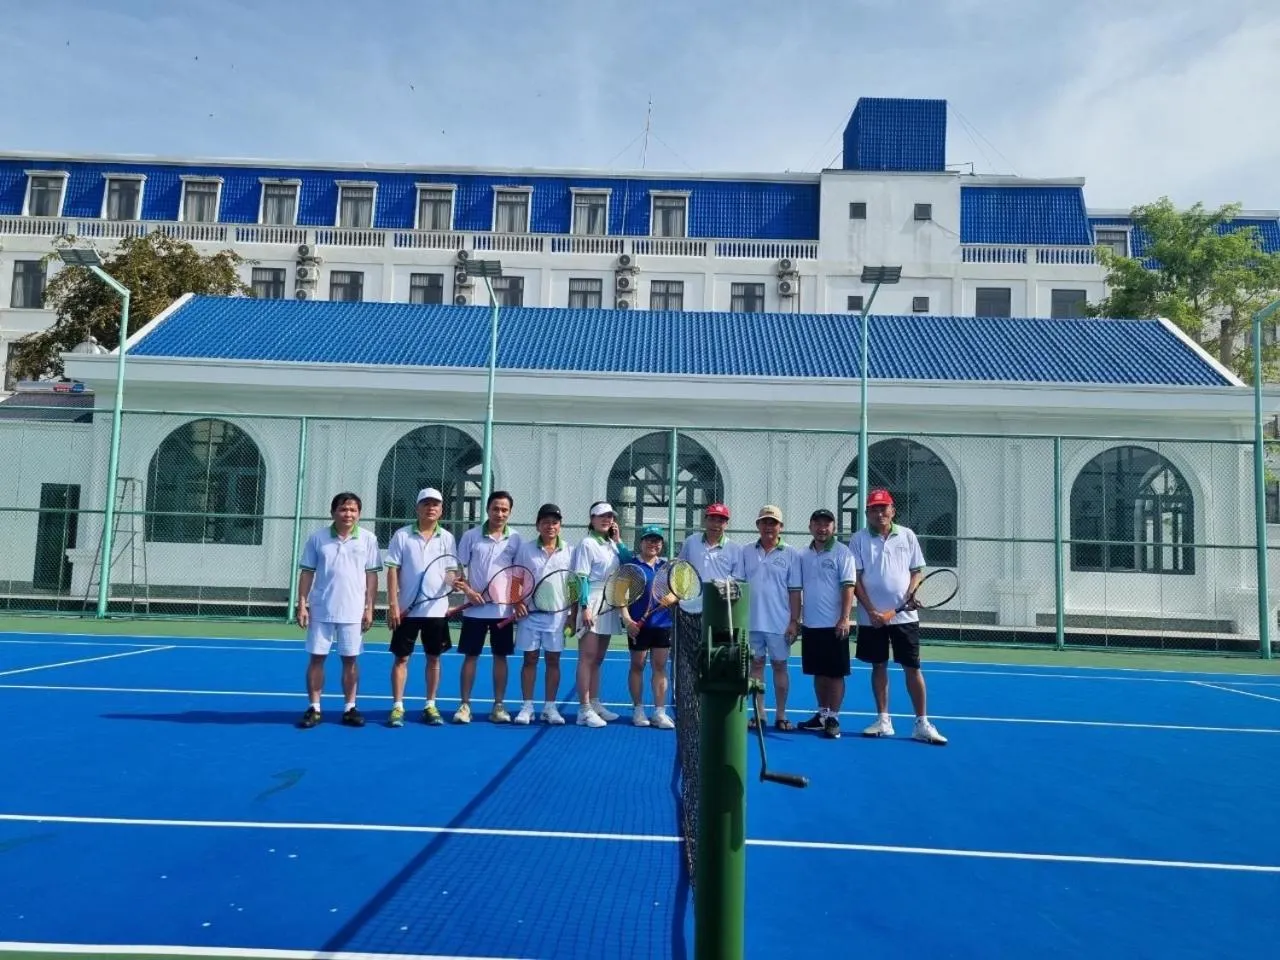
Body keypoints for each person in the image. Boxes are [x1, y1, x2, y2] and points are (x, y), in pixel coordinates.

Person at [851, 488, 948, 745]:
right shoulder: (858, 539)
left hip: (905, 618)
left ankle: (922, 723)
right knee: (878, 665)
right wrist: (872, 611)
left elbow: (916, 572)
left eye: (884, 508)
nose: (879, 512)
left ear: (892, 510)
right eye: (874, 508)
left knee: (912, 668)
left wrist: (910, 594)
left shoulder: (907, 535)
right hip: (870, 618)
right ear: (867, 513)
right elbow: (856, 580)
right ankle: (884, 720)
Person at [294, 491, 383, 729]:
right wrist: (302, 604)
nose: (348, 514)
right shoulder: (317, 538)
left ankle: (350, 708)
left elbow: (372, 576)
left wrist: (369, 608)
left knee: (350, 660)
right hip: (321, 609)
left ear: (359, 514)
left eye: (353, 510)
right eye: (343, 509)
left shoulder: (368, 539)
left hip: (354, 611)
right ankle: (314, 708)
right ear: (333, 512)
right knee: (317, 659)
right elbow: (307, 573)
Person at [384, 487, 457, 727]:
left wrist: (455, 583)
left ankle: (430, 704)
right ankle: (397, 706)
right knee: (401, 659)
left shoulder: (447, 537)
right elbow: (393, 569)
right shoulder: (402, 536)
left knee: (434, 659)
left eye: (435, 504)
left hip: (436, 610)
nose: (431, 507)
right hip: (407, 609)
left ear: (441, 509)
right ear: (418, 508)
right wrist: (393, 603)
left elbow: (450, 571)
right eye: (426, 503)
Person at [455, 490, 523, 724]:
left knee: (500, 657)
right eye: (496, 508)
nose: (500, 513)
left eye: (504, 510)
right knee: (471, 656)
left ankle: (499, 706)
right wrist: (468, 592)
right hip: (474, 610)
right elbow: (457, 572)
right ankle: (464, 705)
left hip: (502, 612)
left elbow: (518, 576)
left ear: (510, 512)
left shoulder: (515, 539)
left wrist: (514, 601)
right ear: (488, 510)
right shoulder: (471, 536)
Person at [510, 502, 573, 725]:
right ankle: (527, 707)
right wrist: (516, 602)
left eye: (554, 522)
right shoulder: (525, 550)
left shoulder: (569, 552)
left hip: (557, 617)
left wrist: (573, 615)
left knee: (553, 660)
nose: (550, 526)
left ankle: (550, 707)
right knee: (529, 659)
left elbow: (573, 585)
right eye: (545, 522)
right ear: (538, 525)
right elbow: (516, 579)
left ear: (560, 526)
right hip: (529, 616)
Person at [570, 501, 632, 728]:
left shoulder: (612, 544)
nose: (607, 519)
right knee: (586, 657)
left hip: (610, 601)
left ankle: (595, 703)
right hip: (593, 601)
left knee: (598, 659)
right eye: (601, 516)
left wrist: (618, 540)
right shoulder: (586, 543)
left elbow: (628, 563)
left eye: (610, 516)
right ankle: (583, 709)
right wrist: (585, 607)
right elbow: (581, 578)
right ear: (592, 519)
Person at [797, 507, 855, 739]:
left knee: (835, 674)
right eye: (818, 524)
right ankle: (822, 716)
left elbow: (848, 586)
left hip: (835, 625)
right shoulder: (803, 555)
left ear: (834, 527)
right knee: (818, 672)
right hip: (811, 624)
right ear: (810, 526)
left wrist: (844, 618)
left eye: (827, 524)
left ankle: (834, 717)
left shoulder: (843, 553)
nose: (822, 528)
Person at [741, 505, 802, 731]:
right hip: (751, 623)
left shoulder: (791, 554)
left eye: (773, 523)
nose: (769, 527)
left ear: (780, 527)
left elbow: (795, 591)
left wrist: (794, 621)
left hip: (779, 624)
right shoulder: (746, 551)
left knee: (779, 666)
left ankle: (781, 714)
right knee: (755, 667)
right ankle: (758, 713)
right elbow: (740, 585)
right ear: (758, 525)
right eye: (765, 522)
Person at [619, 524, 676, 729]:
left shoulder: (666, 567)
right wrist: (628, 621)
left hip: (662, 624)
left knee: (660, 666)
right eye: (649, 540)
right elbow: (620, 597)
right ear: (641, 542)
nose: (654, 544)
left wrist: (673, 596)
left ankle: (660, 713)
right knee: (637, 666)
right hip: (638, 626)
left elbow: (676, 591)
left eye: (657, 540)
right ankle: (638, 710)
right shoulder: (630, 567)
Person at [677, 503, 744, 615]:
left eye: (720, 521)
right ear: (705, 521)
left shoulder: (735, 548)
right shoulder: (691, 541)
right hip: (690, 606)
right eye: (712, 519)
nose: (715, 525)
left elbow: (739, 580)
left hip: (719, 608)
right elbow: (680, 569)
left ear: (726, 524)